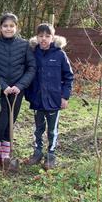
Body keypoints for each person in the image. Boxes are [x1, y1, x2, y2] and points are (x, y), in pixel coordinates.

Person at [0, 13, 36, 167]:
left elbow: (31, 67)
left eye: (11, 26)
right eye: (5, 26)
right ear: (0, 27)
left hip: (16, 91)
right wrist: (3, 85)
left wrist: (19, 86)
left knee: (10, 122)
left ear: (16, 27)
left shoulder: (24, 45)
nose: (8, 29)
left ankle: (5, 153)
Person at [25, 23, 74, 169]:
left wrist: (64, 97)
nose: (43, 39)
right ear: (37, 37)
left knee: (52, 129)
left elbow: (69, 77)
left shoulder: (59, 54)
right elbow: (27, 73)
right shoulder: (33, 53)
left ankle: (51, 154)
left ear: (52, 37)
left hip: (54, 99)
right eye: (40, 36)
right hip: (37, 99)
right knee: (38, 128)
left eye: (47, 36)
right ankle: (37, 152)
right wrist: (29, 95)